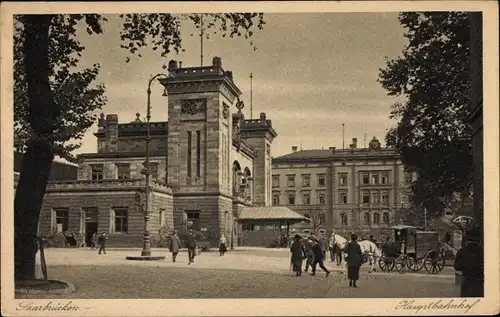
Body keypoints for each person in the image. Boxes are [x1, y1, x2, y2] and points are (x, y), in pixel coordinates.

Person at [453, 226, 484, 297]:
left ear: (467, 240)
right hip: (479, 282)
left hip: (466, 281)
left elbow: (457, 266)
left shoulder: (462, 251)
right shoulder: (482, 251)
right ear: (479, 241)